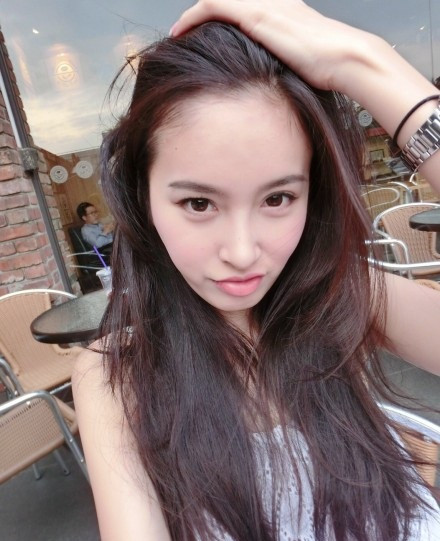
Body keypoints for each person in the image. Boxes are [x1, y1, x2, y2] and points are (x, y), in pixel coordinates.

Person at [72, 1, 440, 539]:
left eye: (277, 198)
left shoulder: (343, 298)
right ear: (142, 198)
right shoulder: (120, 377)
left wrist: (367, 63)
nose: (243, 253)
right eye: (199, 203)